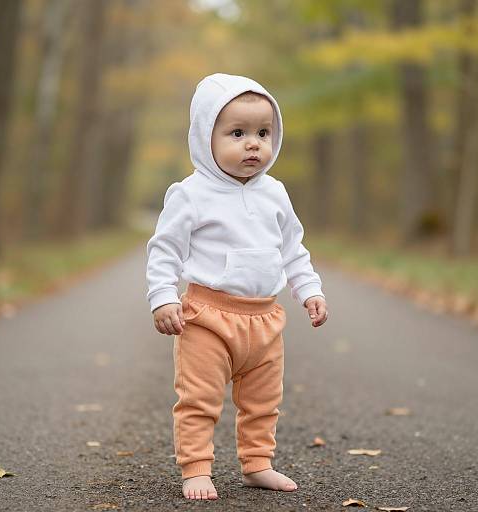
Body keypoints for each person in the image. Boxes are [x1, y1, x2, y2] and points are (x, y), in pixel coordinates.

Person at [145, 73, 328, 500]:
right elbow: (165, 250)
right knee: (199, 398)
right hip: (207, 317)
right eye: (237, 133)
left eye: (264, 133)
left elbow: (293, 250)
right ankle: (196, 468)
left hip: (265, 318)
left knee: (264, 401)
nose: (253, 144)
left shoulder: (275, 193)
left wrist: (310, 290)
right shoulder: (191, 194)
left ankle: (257, 463)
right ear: (204, 137)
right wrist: (162, 297)